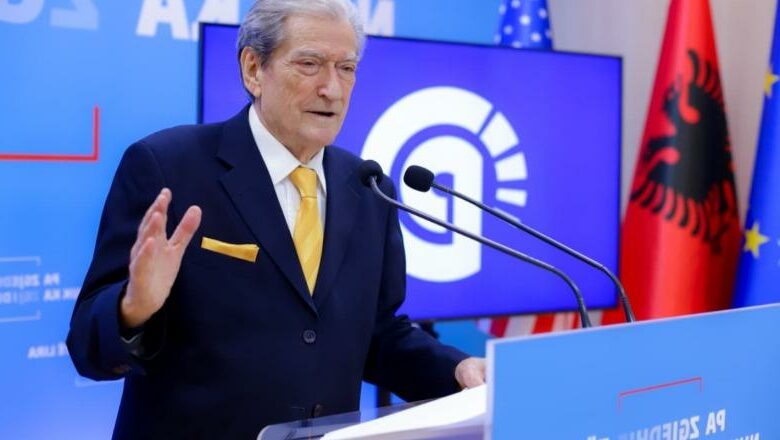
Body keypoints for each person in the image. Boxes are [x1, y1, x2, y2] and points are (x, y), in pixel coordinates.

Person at [66, 0, 485, 438]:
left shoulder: (367, 188)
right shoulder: (167, 167)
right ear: (253, 69)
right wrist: (133, 308)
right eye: (310, 64)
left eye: (346, 68)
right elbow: (85, 345)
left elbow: (378, 336)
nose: (332, 89)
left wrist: (456, 370)